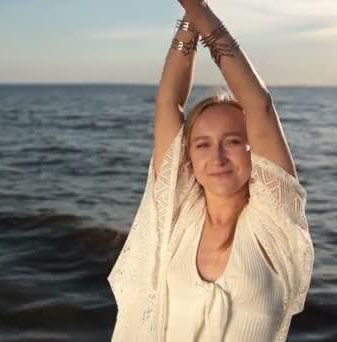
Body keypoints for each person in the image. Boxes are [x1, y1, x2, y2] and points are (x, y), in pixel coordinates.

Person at [107, 1, 314, 341]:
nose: (216, 156)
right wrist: (191, 17)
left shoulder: (272, 223)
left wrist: (199, 10)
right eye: (202, 144)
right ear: (187, 156)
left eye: (232, 141)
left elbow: (258, 104)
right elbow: (168, 101)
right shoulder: (179, 215)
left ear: (253, 151)